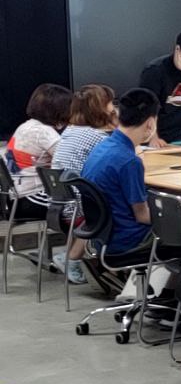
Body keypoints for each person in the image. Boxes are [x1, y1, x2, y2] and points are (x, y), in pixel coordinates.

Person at [80, 88, 159, 264]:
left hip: (102, 238)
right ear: (150, 123)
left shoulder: (102, 147)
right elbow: (142, 216)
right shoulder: (129, 161)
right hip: (126, 240)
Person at [49, 84, 117, 285]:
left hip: (59, 205)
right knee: (118, 207)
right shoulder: (97, 137)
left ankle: (74, 256)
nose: (113, 107)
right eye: (110, 103)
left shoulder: (71, 131)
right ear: (101, 107)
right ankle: (77, 259)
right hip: (78, 210)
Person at [6, 83, 72, 213]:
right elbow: (67, 159)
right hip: (32, 197)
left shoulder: (26, 126)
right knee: (81, 205)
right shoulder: (44, 133)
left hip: (15, 198)